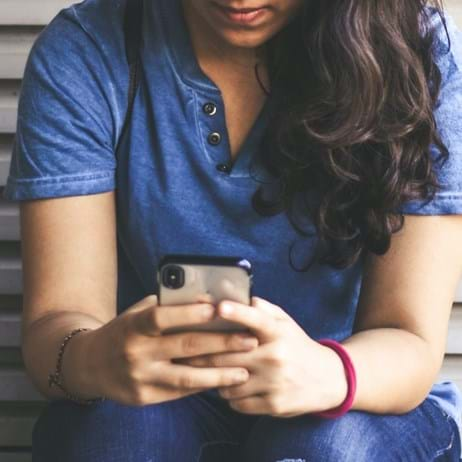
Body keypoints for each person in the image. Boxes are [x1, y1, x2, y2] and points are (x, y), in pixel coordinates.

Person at [3, 0, 462, 460]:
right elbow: (58, 321)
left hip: (357, 393)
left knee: (324, 447)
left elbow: (410, 340)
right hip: (158, 404)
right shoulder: (88, 49)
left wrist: (324, 372)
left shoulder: (415, 48)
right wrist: (98, 359)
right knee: (117, 433)